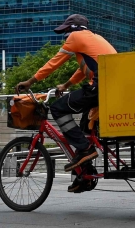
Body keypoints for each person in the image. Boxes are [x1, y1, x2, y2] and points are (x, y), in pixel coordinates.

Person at [15, 14, 116, 191]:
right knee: (84, 132)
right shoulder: (94, 39)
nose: (65, 36)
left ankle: (85, 150)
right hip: (110, 87)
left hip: (101, 86)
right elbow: (83, 69)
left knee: (58, 108)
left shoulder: (76, 37)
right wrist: (67, 84)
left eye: (66, 31)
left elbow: (55, 62)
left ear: (74, 29)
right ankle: (84, 177)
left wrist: (31, 81)